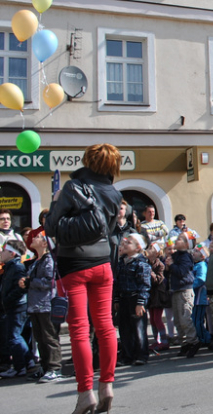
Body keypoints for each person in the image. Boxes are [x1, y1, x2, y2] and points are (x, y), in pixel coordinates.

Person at [43, 144, 123, 413]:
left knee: (79, 329)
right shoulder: (114, 193)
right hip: (102, 264)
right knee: (106, 325)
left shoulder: (72, 187)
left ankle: (85, 393)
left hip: (74, 264)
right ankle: (107, 386)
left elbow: (52, 227)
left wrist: (55, 202)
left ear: (88, 161)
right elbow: (108, 230)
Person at [19, 228, 63, 383]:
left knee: (49, 337)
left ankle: (54, 368)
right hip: (35, 305)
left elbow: (49, 282)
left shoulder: (49, 260)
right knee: (40, 338)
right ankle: (44, 366)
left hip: (46, 305)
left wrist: (31, 282)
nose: (33, 238)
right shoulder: (37, 260)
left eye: (37, 237)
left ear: (45, 243)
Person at [115, 233, 151, 366]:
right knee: (124, 329)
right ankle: (127, 355)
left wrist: (141, 302)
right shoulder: (122, 262)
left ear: (138, 248)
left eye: (129, 243)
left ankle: (141, 354)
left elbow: (144, 284)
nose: (125, 244)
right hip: (124, 298)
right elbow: (117, 283)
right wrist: (116, 299)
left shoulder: (141, 263)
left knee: (138, 328)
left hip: (135, 298)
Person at [0, 238, 32, 379]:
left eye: (4, 250)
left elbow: (21, 288)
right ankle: (27, 362)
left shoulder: (17, 267)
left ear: (12, 254)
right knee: (14, 336)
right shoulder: (9, 267)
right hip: (13, 306)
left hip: (17, 306)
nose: (1, 252)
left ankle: (21, 367)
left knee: (14, 337)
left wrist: (7, 300)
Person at [165, 233, 200, 358]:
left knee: (185, 318)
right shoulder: (175, 256)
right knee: (178, 320)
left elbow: (181, 272)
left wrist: (172, 265)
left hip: (185, 290)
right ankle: (184, 342)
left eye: (179, 239)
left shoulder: (185, 257)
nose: (176, 240)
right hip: (176, 290)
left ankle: (193, 342)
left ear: (186, 244)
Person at [146, 241, 171, 351]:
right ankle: (156, 341)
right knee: (152, 319)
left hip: (158, 295)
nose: (148, 250)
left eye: (151, 249)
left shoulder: (160, 265)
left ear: (156, 253)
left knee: (157, 318)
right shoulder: (147, 263)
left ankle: (164, 341)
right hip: (150, 295)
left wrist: (150, 272)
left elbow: (158, 279)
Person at [191, 247, 211, 348]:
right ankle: (201, 337)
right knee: (194, 319)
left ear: (202, 255)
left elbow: (201, 279)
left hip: (200, 298)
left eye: (197, 251)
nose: (194, 253)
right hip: (195, 299)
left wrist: (190, 287)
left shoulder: (202, 265)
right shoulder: (196, 265)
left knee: (197, 320)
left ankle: (205, 339)